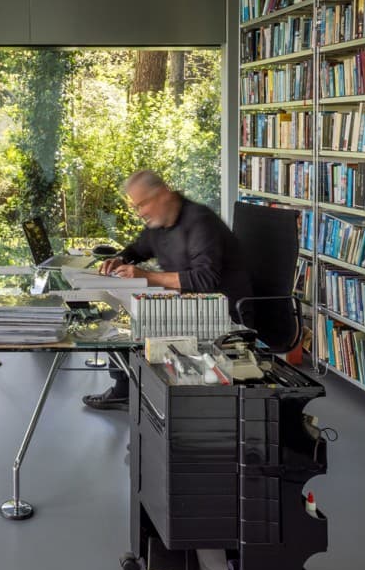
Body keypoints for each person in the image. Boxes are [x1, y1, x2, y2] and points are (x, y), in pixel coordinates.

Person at [82, 170, 251, 411]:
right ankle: (126, 389)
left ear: (162, 194)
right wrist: (120, 259)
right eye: (136, 207)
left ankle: (145, 401)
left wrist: (147, 277)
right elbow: (138, 250)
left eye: (142, 204)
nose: (140, 213)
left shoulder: (199, 221)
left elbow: (206, 279)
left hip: (221, 311)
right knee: (121, 312)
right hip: (189, 303)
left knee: (128, 325)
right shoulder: (158, 225)